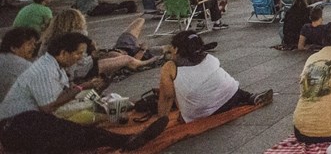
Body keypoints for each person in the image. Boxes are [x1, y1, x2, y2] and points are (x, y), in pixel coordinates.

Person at [0, 32, 169, 153]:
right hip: (15, 126)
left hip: (27, 122)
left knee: (81, 122)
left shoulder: (54, 65)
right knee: (73, 130)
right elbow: (48, 108)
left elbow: (64, 95)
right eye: (78, 53)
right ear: (63, 53)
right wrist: (83, 87)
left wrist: (91, 88)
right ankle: (123, 140)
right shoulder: (44, 70)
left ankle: (119, 138)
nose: (81, 58)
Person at [157, 31, 271, 122]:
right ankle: (250, 97)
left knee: (170, 93)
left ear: (176, 49)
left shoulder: (170, 67)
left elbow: (167, 96)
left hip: (199, 113)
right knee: (226, 83)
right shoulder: (209, 58)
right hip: (230, 98)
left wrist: (161, 119)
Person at [0, 27, 38, 101]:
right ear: (13, 48)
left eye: (34, 44)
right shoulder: (23, 65)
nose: (34, 47)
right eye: (29, 44)